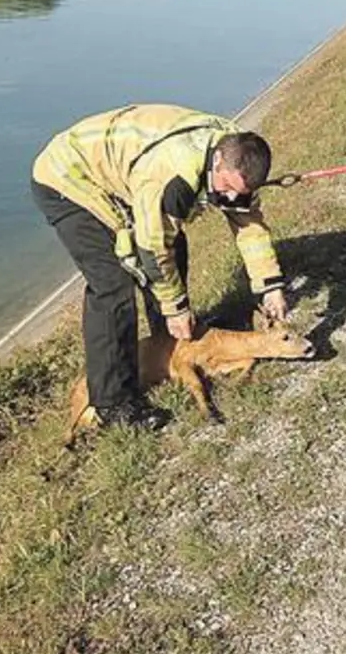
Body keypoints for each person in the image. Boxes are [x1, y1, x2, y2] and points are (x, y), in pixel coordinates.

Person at [30, 104, 289, 432]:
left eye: (238, 191)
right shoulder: (173, 175)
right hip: (68, 179)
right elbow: (153, 248)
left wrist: (270, 286)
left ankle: (170, 345)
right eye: (224, 188)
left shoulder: (237, 154)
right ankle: (112, 404)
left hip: (123, 174)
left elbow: (248, 225)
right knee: (113, 282)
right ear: (218, 161)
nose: (228, 196)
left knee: (174, 244)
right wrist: (175, 307)